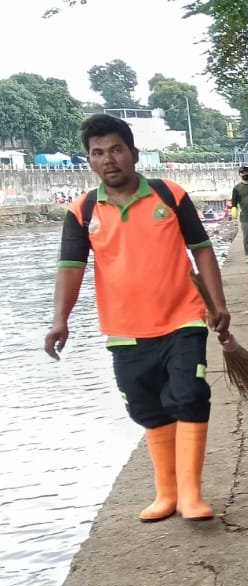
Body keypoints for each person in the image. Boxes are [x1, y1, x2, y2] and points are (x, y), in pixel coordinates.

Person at [45, 113, 231, 523]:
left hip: (184, 318)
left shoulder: (170, 194)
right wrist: (61, 319)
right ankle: (167, 493)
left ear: (133, 152)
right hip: (125, 330)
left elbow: (201, 248)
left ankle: (191, 495)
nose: (108, 159)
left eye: (116, 149)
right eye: (98, 153)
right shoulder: (83, 210)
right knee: (146, 406)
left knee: (189, 395)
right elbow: (70, 267)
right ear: (89, 161)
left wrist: (218, 304)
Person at [231, 166, 248, 257]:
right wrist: (234, 212)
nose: (244, 174)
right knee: (247, 237)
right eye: (242, 172)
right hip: (246, 217)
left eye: (246, 172)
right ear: (240, 174)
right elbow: (234, 203)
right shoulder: (237, 188)